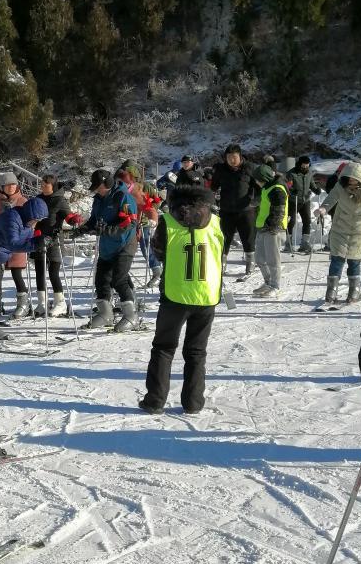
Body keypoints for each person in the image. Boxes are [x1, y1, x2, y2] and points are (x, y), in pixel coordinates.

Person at [139, 183, 223, 415]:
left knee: (163, 348)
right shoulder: (215, 221)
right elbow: (220, 252)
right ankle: (194, 402)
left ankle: (155, 400)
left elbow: (158, 251)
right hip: (206, 294)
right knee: (196, 351)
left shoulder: (168, 221)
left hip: (175, 293)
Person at [73, 169, 139, 330]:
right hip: (107, 246)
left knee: (119, 279)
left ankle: (131, 316)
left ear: (107, 184)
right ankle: (105, 314)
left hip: (125, 244)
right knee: (101, 280)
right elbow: (95, 220)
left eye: (98, 186)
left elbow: (130, 223)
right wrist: (83, 229)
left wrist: (108, 230)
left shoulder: (123, 197)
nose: (96, 190)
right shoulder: (99, 199)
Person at [0, 193, 49, 333]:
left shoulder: (27, 223)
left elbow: (26, 241)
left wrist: (41, 240)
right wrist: (35, 244)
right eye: (36, 219)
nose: (36, 222)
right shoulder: (12, 218)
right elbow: (13, 244)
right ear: (30, 214)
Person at [318, 163, 361, 305]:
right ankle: (331, 292)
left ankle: (354, 292)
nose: (351, 181)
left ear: (360, 177)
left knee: (354, 261)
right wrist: (322, 209)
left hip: (358, 231)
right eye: (348, 178)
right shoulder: (340, 187)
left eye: (354, 178)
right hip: (340, 229)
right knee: (337, 259)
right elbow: (330, 200)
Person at [0, 171, 31, 319]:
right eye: (7, 185)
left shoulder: (23, 201)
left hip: (17, 243)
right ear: (1, 186)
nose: (11, 187)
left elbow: (30, 221)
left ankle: (23, 304)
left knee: (17, 274)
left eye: (13, 184)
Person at [210, 145, 257, 277]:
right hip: (226, 210)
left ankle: (250, 264)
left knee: (248, 238)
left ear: (240, 156)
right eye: (229, 158)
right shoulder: (221, 169)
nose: (231, 160)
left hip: (246, 210)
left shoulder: (249, 168)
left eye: (234, 157)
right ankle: (222, 264)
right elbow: (213, 187)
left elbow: (259, 189)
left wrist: (254, 202)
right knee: (224, 238)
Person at [32, 175, 72, 316]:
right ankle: (42, 303)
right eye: (42, 184)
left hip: (54, 239)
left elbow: (68, 215)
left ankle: (60, 303)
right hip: (39, 238)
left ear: (53, 186)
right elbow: (32, 216)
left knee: (53, 271)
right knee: (39, 271)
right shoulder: (38, 199)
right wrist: (34, 226)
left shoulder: (60, 200)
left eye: (46, 184)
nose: (42, 186)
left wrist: (73, 219)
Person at [251, 163, 289, 297]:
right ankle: (268, 282)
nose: (256, 182)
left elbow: (279, 210)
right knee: (260, 258)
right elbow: (263, 201)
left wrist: (273, 226)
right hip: (263, 227)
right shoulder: (268, 187)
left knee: (273, 260)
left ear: (264, 178)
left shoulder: (277, 189)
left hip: (273, 229)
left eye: (257, 179)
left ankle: (275, 286)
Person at [284, 156, 319, 255]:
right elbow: (287, 186)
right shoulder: (292, 173)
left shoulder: (309, 173)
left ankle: (304, 243)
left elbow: (311, 184)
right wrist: (292, 191)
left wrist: (315, 189)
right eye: (304, 166)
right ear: (299, 164)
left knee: (307, 220)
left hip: (305, 200)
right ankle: (288, 243)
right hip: (293, 201)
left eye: (307, 166)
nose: (305, 167)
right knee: (291, 221)